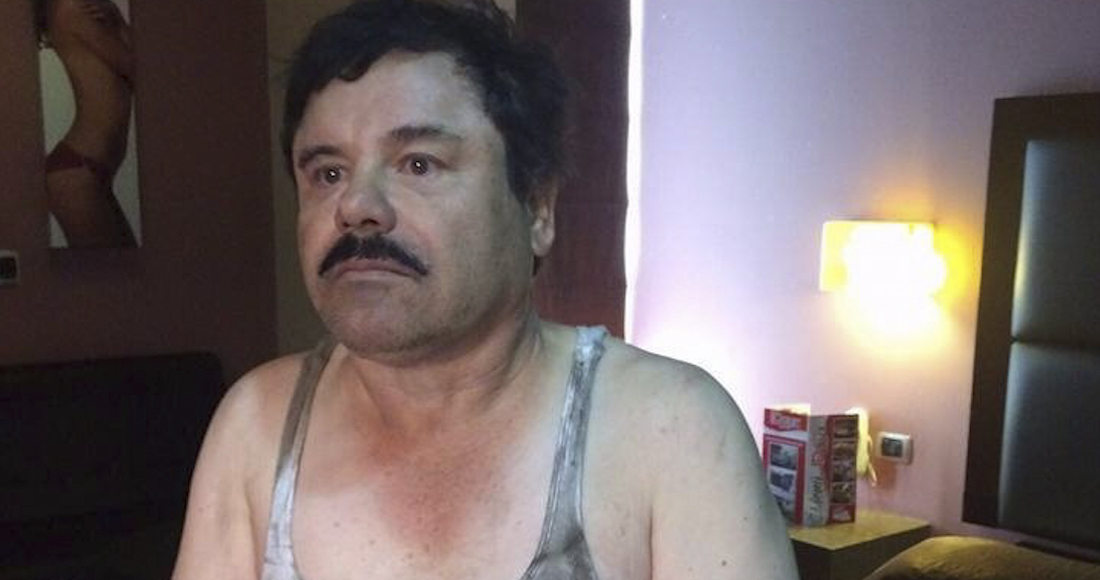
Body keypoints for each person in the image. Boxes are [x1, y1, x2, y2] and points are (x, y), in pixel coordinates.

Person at [172, 1, 797, 578]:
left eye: (419, 163)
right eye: (328, 173)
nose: (356, 205)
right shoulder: (257, 426)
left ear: (537, 208)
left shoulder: (674, 430)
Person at [34, 0, 136, 248]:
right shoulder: (71, 8)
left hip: (85, 169)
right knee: (112, 269)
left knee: (120, 265)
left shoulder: (70, 7)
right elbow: (138, 70)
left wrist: (115, 16)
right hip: (79, 171)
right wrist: (117, 19)